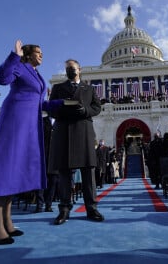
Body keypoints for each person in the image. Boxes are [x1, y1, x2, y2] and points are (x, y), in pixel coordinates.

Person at [0, 40, 61, 245]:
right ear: (27, 55)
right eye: (37, 52)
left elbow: (40, 103)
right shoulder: (19, 66)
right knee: (5, 169)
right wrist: (14, 55)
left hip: (29, 125)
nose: (41, 55)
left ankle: (7, 220)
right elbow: (1, 79)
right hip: (14, 121)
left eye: (41, 52)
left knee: (14, 170)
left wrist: (62, 104)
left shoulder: (38, 76)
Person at [48, 58, 104, 224]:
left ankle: (91, 208)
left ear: (79, 69)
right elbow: (51, 109)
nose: (69, 71)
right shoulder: (58, 88)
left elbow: (97, 107)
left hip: (84, 131)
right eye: (67, 68)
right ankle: (64, 209)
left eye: (72, 68)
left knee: (88, 172)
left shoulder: (89, 88)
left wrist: (84, 110)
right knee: (64, 172)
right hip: (64, 131)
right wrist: (63, 111)